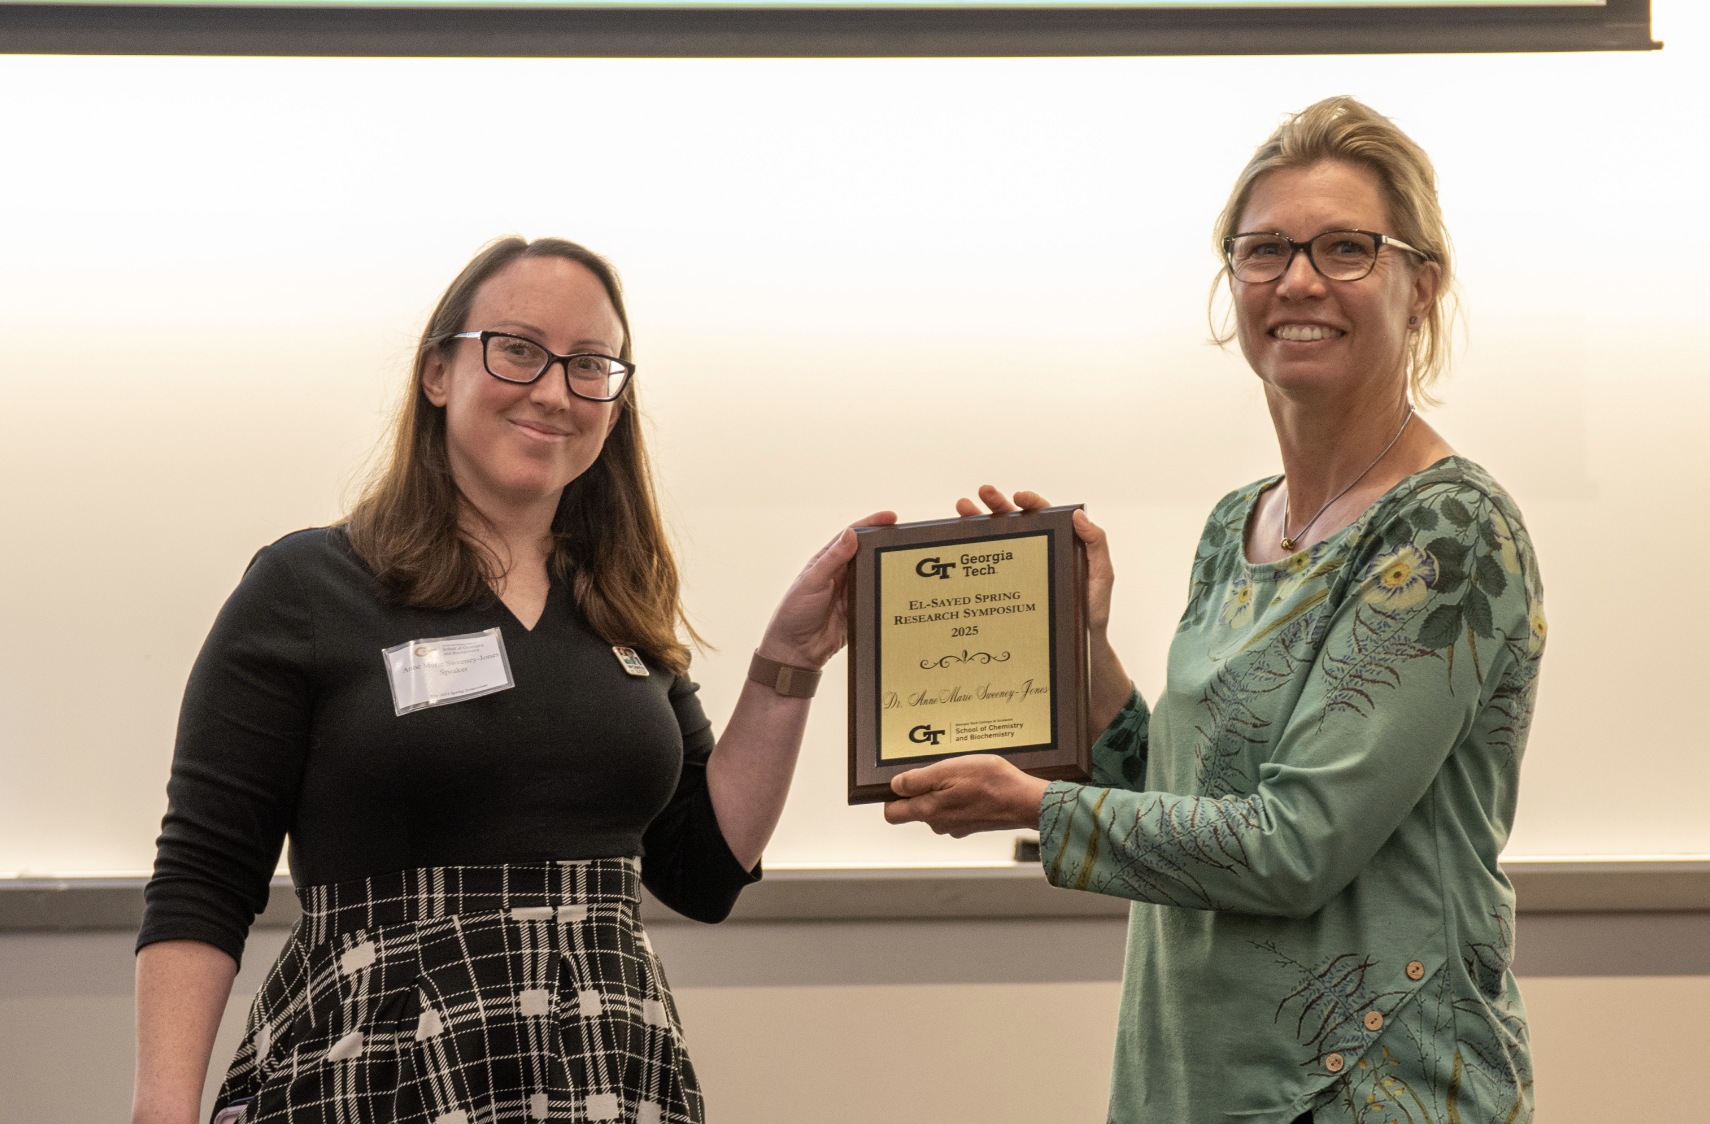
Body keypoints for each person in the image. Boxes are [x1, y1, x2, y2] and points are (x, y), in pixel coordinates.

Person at [884, 96, 1543, 1124]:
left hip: (1368, 1088)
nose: (1299, 280)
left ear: (1424, 284)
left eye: (1346, 247)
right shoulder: (1241, 519)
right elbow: (1185, 796)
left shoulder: (1449, 535)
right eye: (1265, 249)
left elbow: (1292, 844)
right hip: (1193, 1076)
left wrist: (1033, 805)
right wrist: (1082, 653)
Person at [132, 236, 893, 1124]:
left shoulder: (620, 600)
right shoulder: (308, 585)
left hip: (609, 1068)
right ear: (438, 374)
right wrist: (162, 1110)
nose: (553, 390)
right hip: (376, 1066)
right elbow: (205, 872)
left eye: (590, 366)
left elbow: (703, 868)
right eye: (519, 349)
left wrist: (788, 662)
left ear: (616, 404)